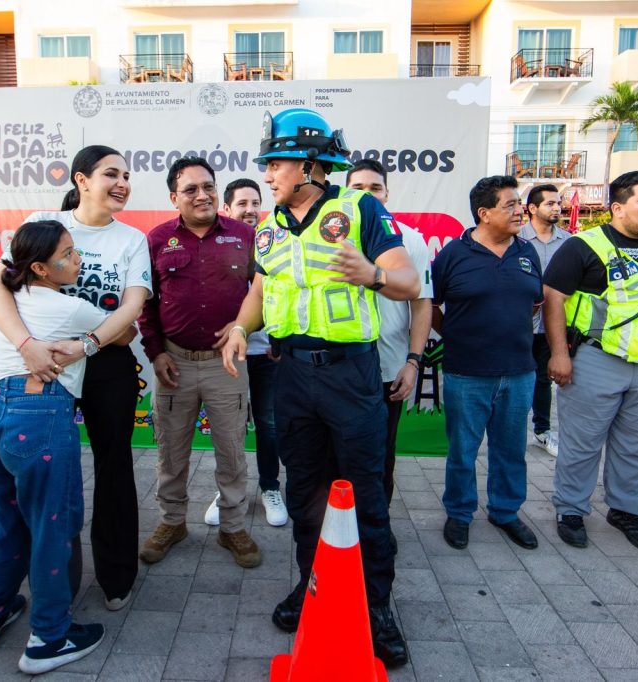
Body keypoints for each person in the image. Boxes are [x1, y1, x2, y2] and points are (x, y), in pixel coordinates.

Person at [221, 108, 418, 667]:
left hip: (351, 376)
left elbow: (409, 281)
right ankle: (312, 585)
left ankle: (375, 606)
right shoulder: (268, 226)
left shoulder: (360, 208)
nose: (268, 174)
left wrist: (374, 274)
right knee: (305, 491)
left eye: (276, 163)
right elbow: (261, 291)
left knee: (364, 492)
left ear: (310, 165)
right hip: (292, 375)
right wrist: (240, 328)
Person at [0, 145, 150, 611]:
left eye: (126, 175)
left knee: (114, 467)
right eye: (111, 174)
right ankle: (60, 582)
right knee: (54, 477)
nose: (122, 183)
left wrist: (89, 344)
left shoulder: (131, 239)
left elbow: (133, 307)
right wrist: (25, 345)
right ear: (81, 180)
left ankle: (116, 576)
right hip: (45, 367)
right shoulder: (43, 222)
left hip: (106, 366)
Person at [0, 220, 116, 673]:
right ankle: (49, 637)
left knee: (6, 522)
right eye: (68, 255)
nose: (78, 259)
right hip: (43, 417)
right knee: (53, 527)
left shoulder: (10, 296)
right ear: (40, 268)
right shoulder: (73, 308)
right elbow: (124, 331)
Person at [545, 170, 638, 551]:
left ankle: (626, 510)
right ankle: (571, 509)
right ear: (618, 208)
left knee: (635, 445)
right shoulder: (583, 246)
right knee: (582, 443)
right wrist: (559, 354)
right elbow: (553, 298)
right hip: (597, 361)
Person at [137, 158, 261, 568]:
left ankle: (233, 527)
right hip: (174, 363)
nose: (202, 195)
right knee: (171, 452)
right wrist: (156, 352)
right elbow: (145, 303)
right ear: (174, 197)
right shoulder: (157, 240)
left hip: (227, 365)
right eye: (190, 189)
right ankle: (172, 522)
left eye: (208, 186)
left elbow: (264, 294)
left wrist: (245, 326)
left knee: (232, 451)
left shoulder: (245, 236)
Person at [433, 176, 542, 551]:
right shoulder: (452, 255)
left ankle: (506, 512)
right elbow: (431, 306)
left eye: (519, 203)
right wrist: (456, 335)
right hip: (466, 373)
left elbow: (534, 305)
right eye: (510, 204)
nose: (519, 211)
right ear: (484, 213)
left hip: (519, 372)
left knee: (511, 450)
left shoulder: (527, 252)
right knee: (463, 451)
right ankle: (459, 513)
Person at [346, 159, 433, 504]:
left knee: (381, 454)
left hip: (389, 368)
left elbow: (422, 305)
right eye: (358, 188)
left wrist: (412, 362)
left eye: (375, 188)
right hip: (340, 368)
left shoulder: (410, 239)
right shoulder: (330, 236)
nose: (367, 195)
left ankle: (376, 522)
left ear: (387, 193)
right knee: (336, 453)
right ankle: (337, 523)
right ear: (344, 193)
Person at [204, 178, 287, 528]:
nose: (250, 210)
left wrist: (278, 340)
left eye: (255, 203)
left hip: (267, 353)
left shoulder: (276, 239)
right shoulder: (215, 245)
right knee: (229, 427)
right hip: (229, 354)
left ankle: (270, 487)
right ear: (227, 208)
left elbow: (285, 295)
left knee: (268, 424)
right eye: (242, 204)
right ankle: (228, 491)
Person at [521, 184, 569, 458]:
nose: (557, 208)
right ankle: (509, 430)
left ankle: (542, 431)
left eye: (558, 203)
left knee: (542, 378)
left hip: (552, 324)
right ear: (532, 208)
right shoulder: (516, 238)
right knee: (513, 378)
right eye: (550, 203)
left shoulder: (569, 242)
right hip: (520, 323)